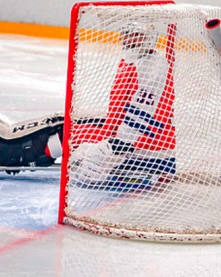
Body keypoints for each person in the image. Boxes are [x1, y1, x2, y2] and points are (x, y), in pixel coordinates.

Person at [71, 22, 176, 189]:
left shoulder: (151, 68)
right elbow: (120, 110)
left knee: (69, 139)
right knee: (67, 128)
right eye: (126, 33)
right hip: (131, 141)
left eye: (136, 34)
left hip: (147, 148)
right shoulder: (132, 61)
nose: (128, 39)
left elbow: (140, 122)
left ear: (150, 38)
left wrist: (109, 148)